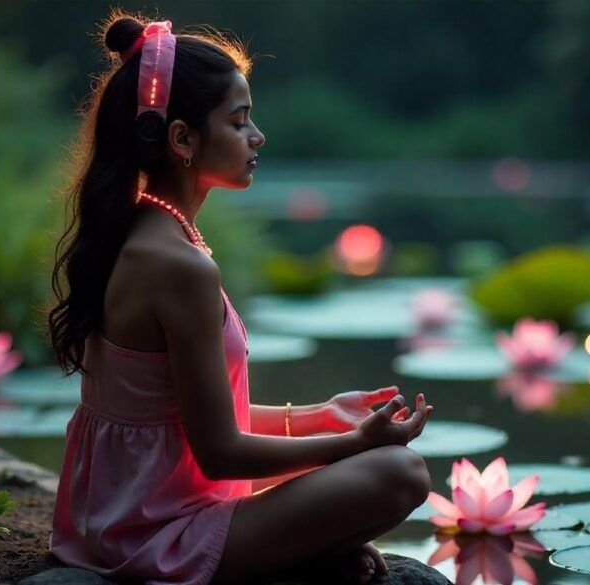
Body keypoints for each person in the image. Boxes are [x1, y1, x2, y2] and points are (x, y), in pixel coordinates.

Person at [47, 12, 434, 585]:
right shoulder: (176, 264)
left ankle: (299, 552)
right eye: (239, 121)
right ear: (182, 138)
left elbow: (175, 421)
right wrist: (351, 443)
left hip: (120, 521)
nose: (258, 137)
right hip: (154, 537)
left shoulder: (140, 231)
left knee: (381, 471)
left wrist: (320, 416)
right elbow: (219, 453)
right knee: (401, 473)